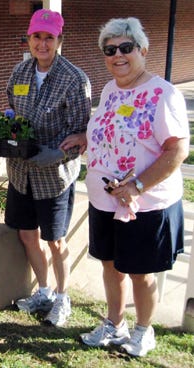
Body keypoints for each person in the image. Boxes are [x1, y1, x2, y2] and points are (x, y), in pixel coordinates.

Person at [80, 17, 189, 357]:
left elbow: (177, 150)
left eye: (126, 48)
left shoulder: (163, 93)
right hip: (105, 199)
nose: (118, 55)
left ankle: (143, 330)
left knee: (141, 273)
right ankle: (115, 324)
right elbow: (111, 132)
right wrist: (82, 139)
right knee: (110, 264)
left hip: (145, 202)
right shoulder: (111, 88)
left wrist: (138, 185)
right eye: (109, 50)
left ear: (142, 49)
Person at [5, 9, 91, 327]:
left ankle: (63, 297)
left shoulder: (74, 79)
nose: (42, 44)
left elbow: (82, 133)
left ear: (59, 40)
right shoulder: (20, 73)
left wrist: (55, 155)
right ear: (28, 39)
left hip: (53, 177)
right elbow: (12, 109)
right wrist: (6, 126)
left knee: (55, 240)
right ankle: (43, 292)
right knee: (28, 234)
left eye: (49, 37)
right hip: (20, 172)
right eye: (37, 36)